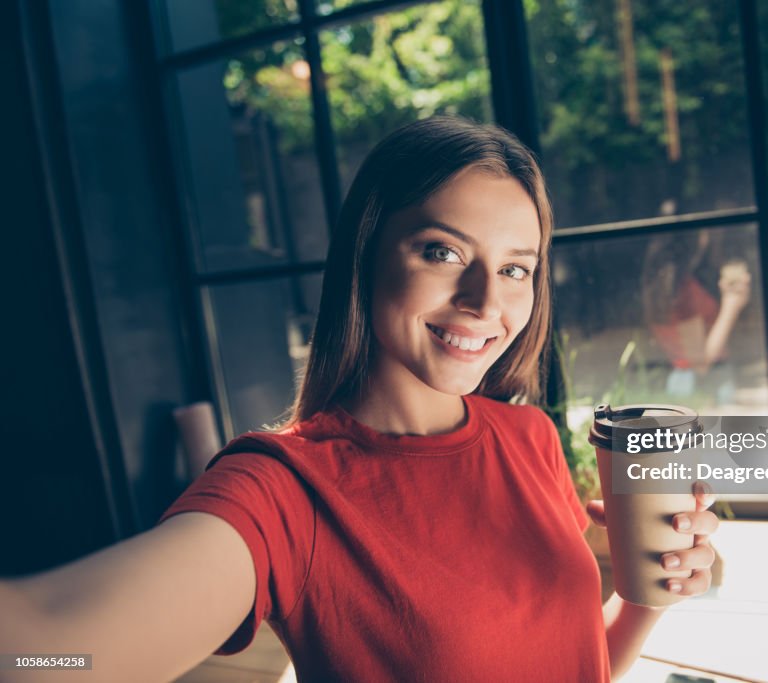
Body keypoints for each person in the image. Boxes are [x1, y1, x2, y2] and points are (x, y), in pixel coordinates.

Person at [0, 117, 719, 682]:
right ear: (367, 251)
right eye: (442, 251)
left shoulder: (528, 435)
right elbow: (48, 656)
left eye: (515, 268)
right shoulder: (284, 492)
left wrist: (644, 595)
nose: (485, 301)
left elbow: (578, 663)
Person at [642, 230, 751, 406]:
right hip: (705, 383)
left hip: (681, 377)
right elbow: (700, 362)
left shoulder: (658, 286)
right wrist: (732, 305)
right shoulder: (684, 292)